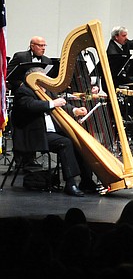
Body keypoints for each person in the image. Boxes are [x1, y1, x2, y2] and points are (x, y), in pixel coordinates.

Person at [10, 67, 98, 196]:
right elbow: (30, 105)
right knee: (66, 142)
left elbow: (62, 104)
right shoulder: (23, 91)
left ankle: (86, 181)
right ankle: (70, 183)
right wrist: (52, 103)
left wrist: (75, 110)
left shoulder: (46, 91)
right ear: (32, 78)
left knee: (78, 140)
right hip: (34, 134)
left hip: (52, 132)